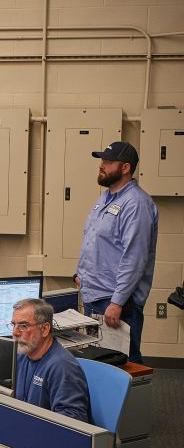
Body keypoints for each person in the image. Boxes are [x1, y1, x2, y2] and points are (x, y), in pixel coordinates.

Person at [75, 141, 158, 364]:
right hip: (95, 296)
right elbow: (94, 240)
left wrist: (118, 302)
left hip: (116, 302)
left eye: (108, 162)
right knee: (100, 363)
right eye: (102, 160)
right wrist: (80, 274)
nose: (102, 165)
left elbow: (134, 258)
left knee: (123, 365)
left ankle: (132, 401)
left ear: (125, 168)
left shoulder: (136, 204)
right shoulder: (106, 197)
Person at [10, 298, 91, 423]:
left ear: (45, 329)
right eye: (13, 325)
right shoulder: (21, 355)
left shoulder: (62, 367)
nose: (15, 332)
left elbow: (72, 422)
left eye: (23, 326)